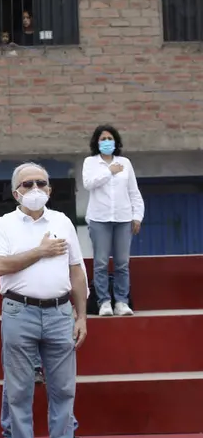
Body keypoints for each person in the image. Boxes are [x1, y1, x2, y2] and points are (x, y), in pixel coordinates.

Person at [0, 163, 88, 438]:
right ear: (15, 191)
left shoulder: (62, 221)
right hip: (20, 312)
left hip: (60, 313)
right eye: (27, 184)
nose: (35, 189)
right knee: (19, 394)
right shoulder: (2, 224)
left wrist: (82, 316)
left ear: (49, 188)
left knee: (63, 391)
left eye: (40, 183)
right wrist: (40, 251)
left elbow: (76, 270)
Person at [81, 124, 144, 317]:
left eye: (110, 138)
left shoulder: (125, 162)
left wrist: (137, 216)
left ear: (115, 141)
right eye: (102, 139)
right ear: (96, 142)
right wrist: (109, 171)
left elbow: (133, 191)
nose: (106, 142)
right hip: (99, 219)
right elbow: (88, 184)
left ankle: (122, 302)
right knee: (100, 262)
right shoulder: (90, 162)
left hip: (123, 218)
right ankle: (104, 302)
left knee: (122, 263)